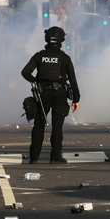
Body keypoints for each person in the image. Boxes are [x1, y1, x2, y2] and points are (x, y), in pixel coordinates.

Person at [21, 26, 81, 164]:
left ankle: (34, 158)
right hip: (60, 94)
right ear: (61, 40)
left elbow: (25, 72)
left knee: (39, 125)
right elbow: (72, 80)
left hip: (42, 94)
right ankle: (55, 157)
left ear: (47, 38)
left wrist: (36, 82)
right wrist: (76, 99)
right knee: (57, 126)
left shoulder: (39, 56)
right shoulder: (64, 58)